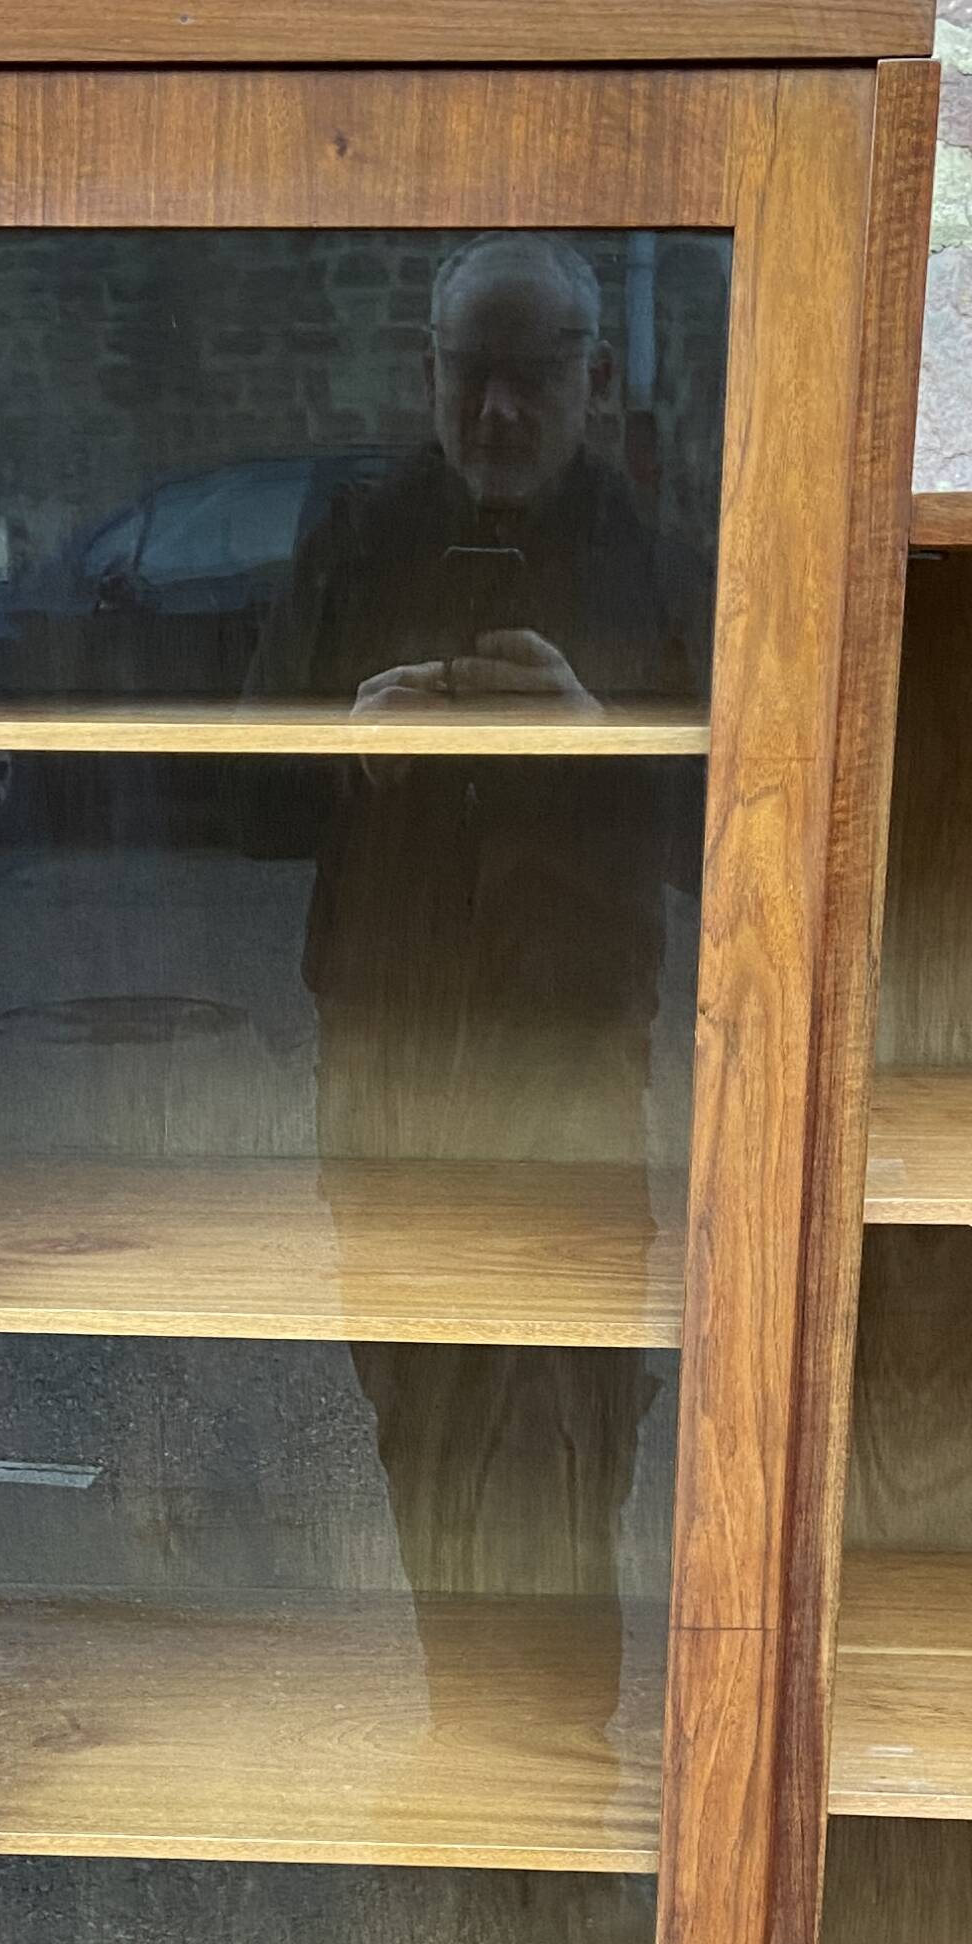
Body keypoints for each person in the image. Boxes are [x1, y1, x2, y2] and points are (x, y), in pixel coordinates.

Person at [246, 232, 710, 1722]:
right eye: (472, 374)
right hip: (386, 1029)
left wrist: (598, 743)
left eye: (535, 375)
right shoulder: (357, 534)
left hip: (574, 1036)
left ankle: (564, 1751)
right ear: (428, 372)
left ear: (598, 377)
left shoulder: (660, 553)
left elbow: (735, 839)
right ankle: (465, 1727)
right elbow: (234, 792)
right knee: (413, 1387)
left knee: (575, 1401)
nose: (499, 410)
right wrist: (347, 750)